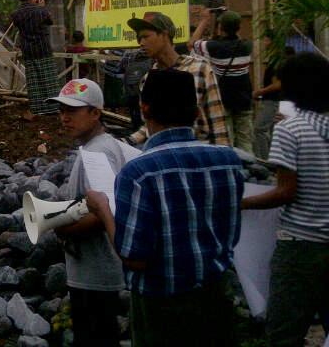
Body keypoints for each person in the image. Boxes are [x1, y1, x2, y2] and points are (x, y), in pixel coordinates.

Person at [86, 69, 244, 347]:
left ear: (144, 109)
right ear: (196, 113)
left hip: (161, 307)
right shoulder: (228, 161)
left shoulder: (139, 172)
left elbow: (135, 257)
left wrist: (102, 210)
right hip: (217, 297)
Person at [240, 53, 329, 346]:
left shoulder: (290, 129)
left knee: (283, 334)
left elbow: (285, 192)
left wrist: (243, 202)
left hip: (301, 248)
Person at [49, 79, 135, 347]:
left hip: (96, 275)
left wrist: (61, 227)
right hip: (97, 274)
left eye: (73, 111)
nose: (65, 118)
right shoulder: (104, 145)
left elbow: (104, 212)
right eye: (62, 110)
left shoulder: (98, 152)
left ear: (96, 113)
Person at [126, 12, 229, 147]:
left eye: (146, 36)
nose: (141, 43)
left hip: (197, 153)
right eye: (139, 39)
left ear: (164, 34)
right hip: (162, 155)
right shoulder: (148, 80)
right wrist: (127, 141)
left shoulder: (199, 69)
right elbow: (148, 128)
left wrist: (223, 157)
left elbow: (217, 124)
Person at [191, 9, 253, 152]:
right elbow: (236, 37)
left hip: (223, 99)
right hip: (244, 99)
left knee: (227, 140)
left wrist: (205, 20)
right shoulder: (246, 46)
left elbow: (192, 43)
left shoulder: (213, 47)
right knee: (245, 140)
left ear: (220, 28)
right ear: (238, 27)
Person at [10, 0, 58, 120]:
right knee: (48, 79)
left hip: (28, 51)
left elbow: (19, 27)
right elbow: (50, 21)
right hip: (43, 49)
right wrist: (42, 7)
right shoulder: (40, 11)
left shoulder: (16, 14)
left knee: (34, 81)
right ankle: (53, 107)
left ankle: (37, 108)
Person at [252, 37, 294, 159]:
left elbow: (278, 84)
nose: (264, 43)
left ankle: (265, 159)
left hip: (274, 101)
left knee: (260, 129)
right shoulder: (276, 59)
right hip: (278, 101)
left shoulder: (277, 60)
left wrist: (259, 92)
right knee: (273, 132)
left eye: (267, 40)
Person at [120, 48, 152, 130]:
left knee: (133, 109)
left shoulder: (128, 53)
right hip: (143, 91)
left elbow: (121, 67)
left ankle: (135, 128)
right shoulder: (153, 58)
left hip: (130, 89)